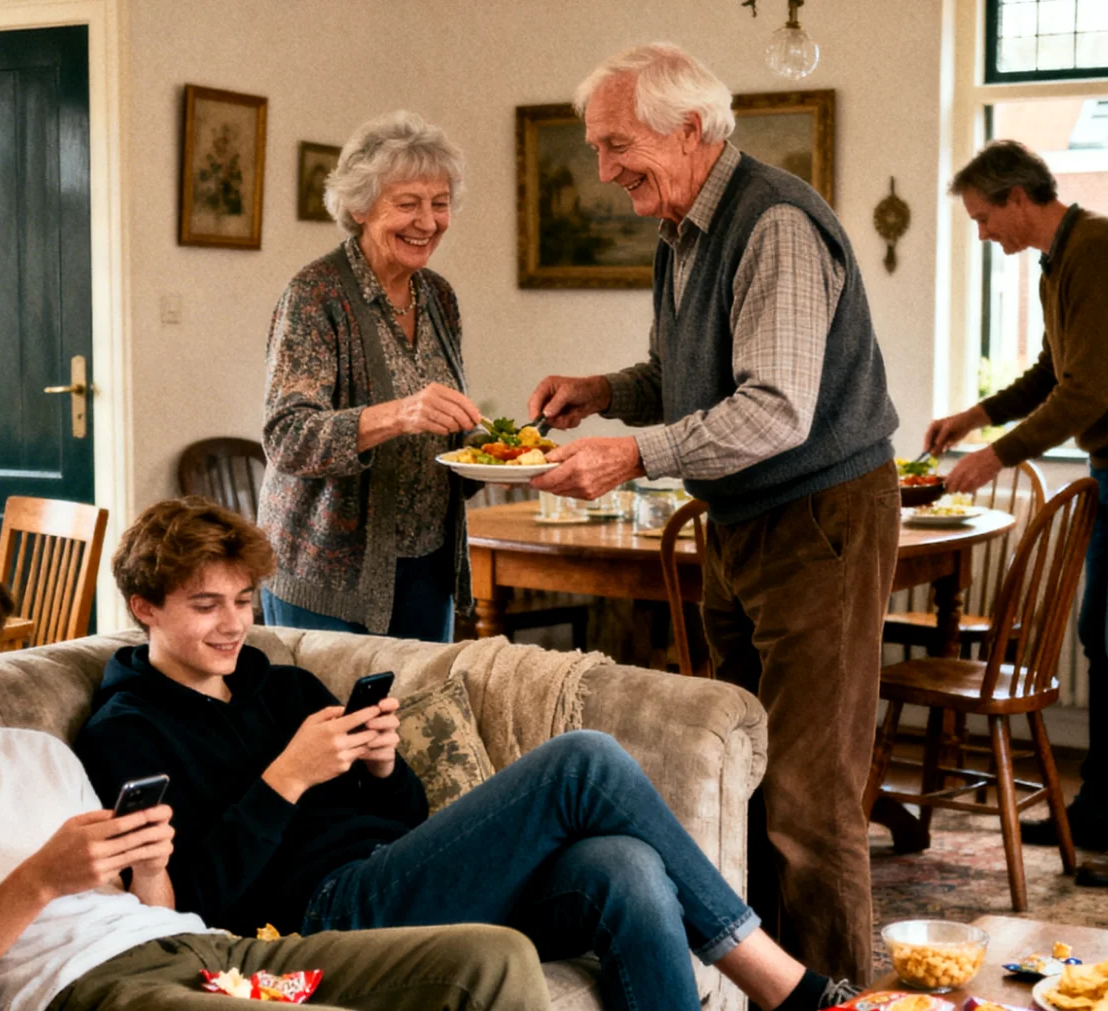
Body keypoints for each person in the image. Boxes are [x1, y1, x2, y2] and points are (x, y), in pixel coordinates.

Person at [75, 495, 862, 1011]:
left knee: (625, 865)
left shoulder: (279, 684)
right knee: (583, 758)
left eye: (244, 601)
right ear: (144, 606)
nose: (233, 623)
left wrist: (380, 764)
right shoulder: (126, 731)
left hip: (395, 872)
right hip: (308, 921)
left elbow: (403, 813)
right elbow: (190, 908)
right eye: (205, 605)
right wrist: (285, 780)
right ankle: (781, 983)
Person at [0, 541, 550, 1011]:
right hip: (96, 991)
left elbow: (151, 904)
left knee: (496, 957)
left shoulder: (37, 752)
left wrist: (151, 867)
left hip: (210, 955)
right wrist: (37, 880)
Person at [524, 44, 901, 982]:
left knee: (811, 802)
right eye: (597, 150)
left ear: (690, 128)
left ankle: (836, 997)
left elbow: (774, 410)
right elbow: (690, 381)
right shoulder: (684, 228)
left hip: (819, 521)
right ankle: (774, 988)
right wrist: (606, 390)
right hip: (744, 526)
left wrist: (633, 454)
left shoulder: (771, 222)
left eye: (617, 146)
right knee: (745, 775)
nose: (605, 171)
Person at [926, 139, 1108, 887]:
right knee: (1102, 635)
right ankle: (1100, 808)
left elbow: (1087, 394)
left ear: (1020, 197)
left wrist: (998, 455)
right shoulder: (1065, 260)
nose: (984, 233)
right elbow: (1056, 371)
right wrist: (975, 414)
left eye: (985, 218)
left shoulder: (1101, 251)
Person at [260, 109, 482, 642]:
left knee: (421, 720)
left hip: (428, 565)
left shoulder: (438, 296)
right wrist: (399, 415)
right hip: (327, 575)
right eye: (407, 204)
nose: (427, 222)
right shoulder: (317, 294)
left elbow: (442, 426)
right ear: (359, 207)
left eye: (440, 204)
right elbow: (286, 437)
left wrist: (504, 452)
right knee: (340, 723)